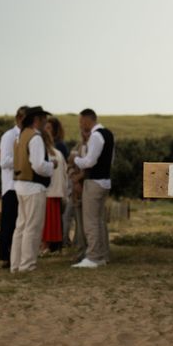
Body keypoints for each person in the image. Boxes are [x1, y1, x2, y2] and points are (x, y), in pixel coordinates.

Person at [10, 106, 56, 273]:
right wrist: (52, 165)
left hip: (20, 185)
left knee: (21, 227)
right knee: (33, 227)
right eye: (44, 118)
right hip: (33, 186)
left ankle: (15, 264)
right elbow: (38, 165)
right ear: (37, 119)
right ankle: (27, 265)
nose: (45, 121)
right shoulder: (35, 138)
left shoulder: (21, 136)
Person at [72, 109, 114, 268]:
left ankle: (93, 257)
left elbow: (89, 162)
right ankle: (102, 255)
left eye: (81, 121)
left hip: (94, 181)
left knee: (90, 221)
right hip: (105, 181)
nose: (80, 125)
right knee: (99, 220)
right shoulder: (108, 134)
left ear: (87, 120)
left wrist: (76, 159)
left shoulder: (96, 136)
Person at [0, 106, 27, 269]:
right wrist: (23, 160)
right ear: (18, 118)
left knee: (20, 223)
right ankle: (6, 256)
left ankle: (19, 255)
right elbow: (4, 162)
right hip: (11, 186)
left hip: (23, 185)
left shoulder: (28, 136)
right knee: (9, 223)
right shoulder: (9, 136)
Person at [41, 124, 68, 254]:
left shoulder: (44, 154)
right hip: (57, 191)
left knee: (46, 222)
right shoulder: (58, 153)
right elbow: (65, 173)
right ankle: (56, 247)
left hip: (46, 191)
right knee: (55, 221)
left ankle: (45, 246)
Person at [67, 128, 89, 261]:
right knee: (79, 222)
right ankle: (81, 250)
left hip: (88, 186)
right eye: (83, 132)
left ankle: (91, 251)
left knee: (89, 222)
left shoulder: (94, 146)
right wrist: (74, 179)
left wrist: (80, 177)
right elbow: (69, 165)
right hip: (77, 189)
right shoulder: (77, 147)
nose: (84, 134)